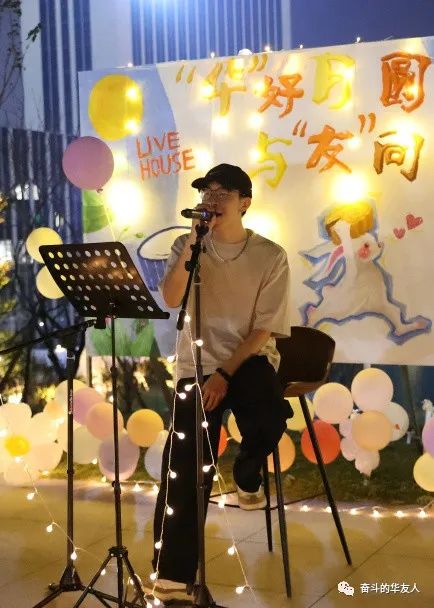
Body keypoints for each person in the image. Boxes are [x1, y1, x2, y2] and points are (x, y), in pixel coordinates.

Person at [147, 163, 292, 603]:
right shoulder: (187, 246)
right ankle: (172, 575)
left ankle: (247, 471)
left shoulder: (270, 255)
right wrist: (193, 244)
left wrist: (225, 374)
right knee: (184, 463)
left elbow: (263, 330)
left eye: (221, 193)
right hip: (195, 364)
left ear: (244, 203)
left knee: (268, 408)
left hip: (246, 361)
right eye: (206, 192)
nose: (211, 200)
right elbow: (171, 297)